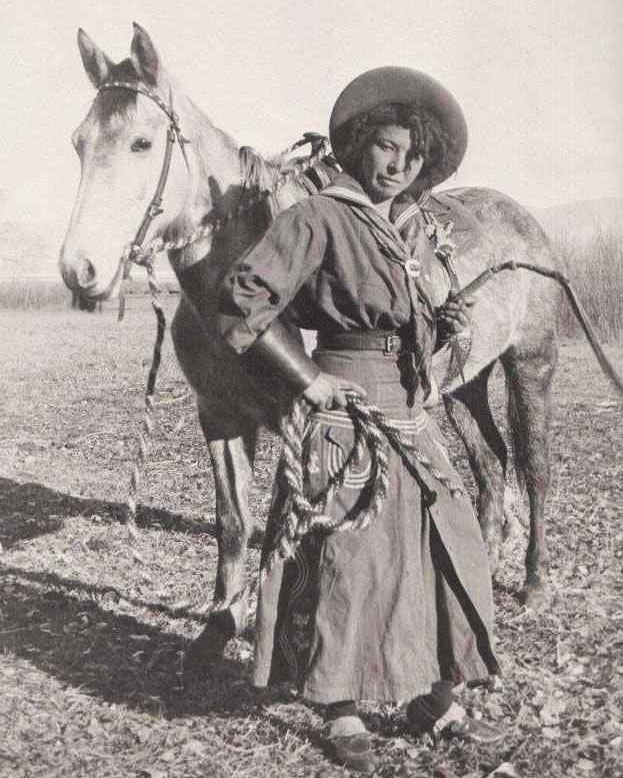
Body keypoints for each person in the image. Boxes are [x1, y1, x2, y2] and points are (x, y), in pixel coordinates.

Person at [218, 67, 502, 773]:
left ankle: (427, 692)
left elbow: (407, 321)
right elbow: (241, 303)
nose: (396, 163)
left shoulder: (409, 230)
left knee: (445, 545)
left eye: (410, 154)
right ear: (357, 146)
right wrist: (310, 381)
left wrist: (439, 321)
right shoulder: (319, 215)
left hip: (407, 409)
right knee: (352, 562)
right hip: (346, 409)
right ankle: (340, 706)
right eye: (384, 147)